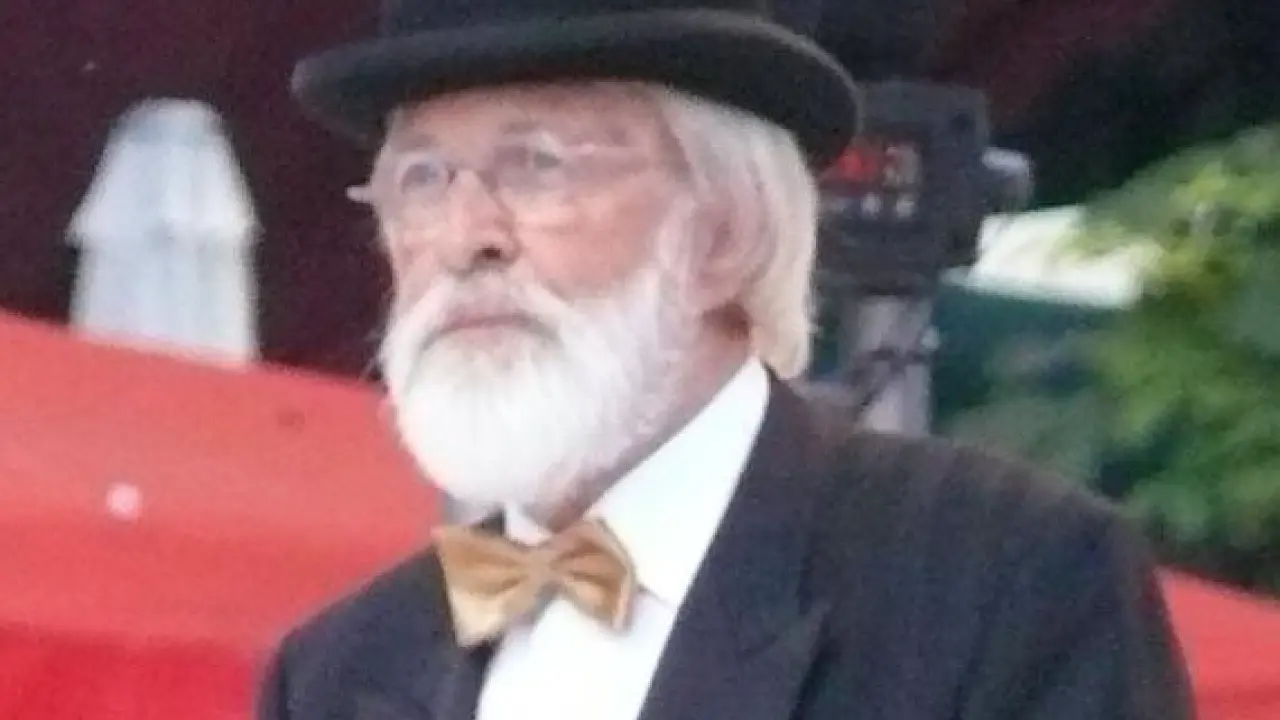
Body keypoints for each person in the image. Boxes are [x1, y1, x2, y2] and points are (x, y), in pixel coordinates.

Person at [262, 1, 1195, 718]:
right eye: (422, 178)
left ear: (726, 235)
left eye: (538, 165)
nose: (465, 235)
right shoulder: (340, 671)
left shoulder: (1004, 583)